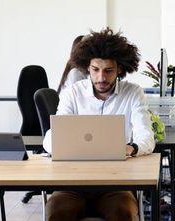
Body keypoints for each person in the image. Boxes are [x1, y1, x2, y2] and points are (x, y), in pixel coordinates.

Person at [43, 27, 155, 221]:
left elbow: (146, 137)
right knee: (57, 213)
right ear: (87, 67)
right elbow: (52, 136)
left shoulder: (133, 93)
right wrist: (61, 146)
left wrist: (130, 148)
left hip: (116, 185)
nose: (101, 78)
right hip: (73, 185)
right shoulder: (73, 93)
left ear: (120, 69)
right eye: (95, 70)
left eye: (108, 71)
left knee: (124, 213)